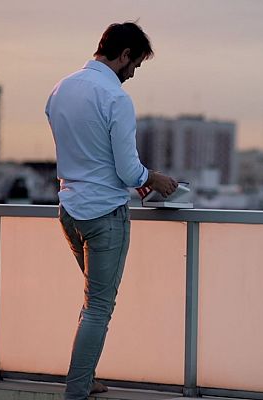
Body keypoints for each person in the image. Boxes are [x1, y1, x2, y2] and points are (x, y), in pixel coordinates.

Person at [45, 22, 178, 400]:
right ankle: (76, 390)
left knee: (93, 301)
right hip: (104, 215)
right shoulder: (115, 98)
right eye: (135, 65)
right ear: (124, 55)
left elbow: (82, 151)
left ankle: (84, 379)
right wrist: (155, 179)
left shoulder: (61, 88)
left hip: (70, 210)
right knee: (99, 306)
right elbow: (129, 170)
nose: (132, 74)